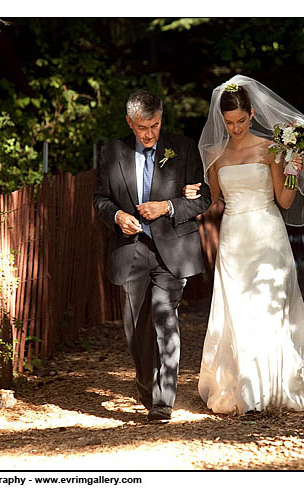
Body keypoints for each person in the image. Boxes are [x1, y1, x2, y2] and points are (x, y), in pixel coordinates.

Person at [186, 75, 304, 414]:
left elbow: (286, 200)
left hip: (267, 234)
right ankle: (245, 386)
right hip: (234, 237)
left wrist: (293, 168)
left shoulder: (270, 149)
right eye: (229, 122)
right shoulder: (216, 156)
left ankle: (276, 384)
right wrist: (191, 195)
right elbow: (212, 202)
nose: (235, 128)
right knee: (238, 310)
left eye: (241, 120)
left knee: (270, 307)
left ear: (252, 114)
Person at [93, 90, 211, 422]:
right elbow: (100, 199)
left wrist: (168, 206)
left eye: (155, 126)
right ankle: (145, 382)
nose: (150, 134)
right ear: (130, 122)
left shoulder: (184, 148)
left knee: (164, 318)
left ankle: (163, 401)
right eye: (143, 127)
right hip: (130, 251)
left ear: (162, 119)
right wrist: (117, 216)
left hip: (172, 250)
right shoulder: (111, 152)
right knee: (135, 330)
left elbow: (203, 198)